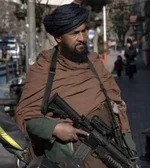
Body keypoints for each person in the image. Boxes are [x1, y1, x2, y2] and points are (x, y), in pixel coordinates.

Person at [14, 3, 136, 168]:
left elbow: (118, 110)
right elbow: (26, 116)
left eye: (83, 31)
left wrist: (131, 152)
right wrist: (55, 128)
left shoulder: (93, 62)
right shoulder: (44, 68)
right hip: (67, 160)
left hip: (108, 154)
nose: (82, 38)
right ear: (58, 37)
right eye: (75, 33)